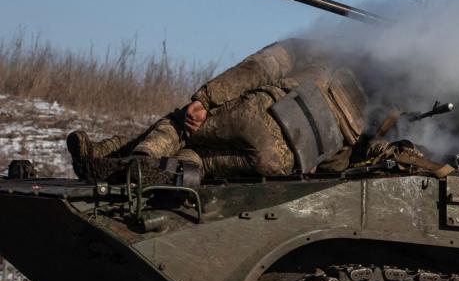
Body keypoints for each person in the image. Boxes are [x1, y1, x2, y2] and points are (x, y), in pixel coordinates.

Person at [68, 39, 368, 181]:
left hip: (261, 116)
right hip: (282, 161)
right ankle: (161, 174)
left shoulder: (320, 49)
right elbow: (338, 166)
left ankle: (137, 161)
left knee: (181, 125)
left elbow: (256, 69)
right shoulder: (370, 114)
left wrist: (206, 100)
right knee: (201, 160)